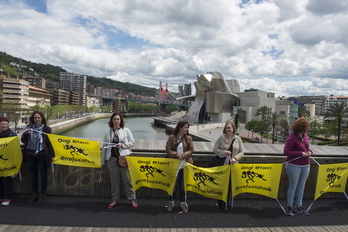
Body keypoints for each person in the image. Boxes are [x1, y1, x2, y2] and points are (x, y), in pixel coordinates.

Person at [101, 112, 138, 210]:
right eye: (114, 119)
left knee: (127, 180)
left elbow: (132, 143)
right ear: (111, 121)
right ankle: (114, 199)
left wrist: (123, 145)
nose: (116, 121)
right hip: (112, 160)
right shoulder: (107, 133)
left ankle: (132, 199)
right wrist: (103, 161)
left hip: (124, 159)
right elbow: (104, 148)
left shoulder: (126, 131)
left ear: (121, 121)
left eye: (118, 119)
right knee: (114, 181)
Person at [21, 111, 55, 205]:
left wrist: (52, 155)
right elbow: (23, 140)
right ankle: (35, 194)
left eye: (38, 117)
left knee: (43, 175)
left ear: (42, 118)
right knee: (33, 175)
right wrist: (26, 134)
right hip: (31, 154)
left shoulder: (46, 129)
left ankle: (43, 195)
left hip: (41, 154)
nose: (37, 119)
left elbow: (49, 142)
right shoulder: (29, 128)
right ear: (33, 119)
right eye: (35, 118)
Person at [213, 121, 244, 211]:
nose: (228, 130)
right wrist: (224, 152)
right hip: (223, 166)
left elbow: (242, 151)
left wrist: (236, 158)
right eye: (227, 128)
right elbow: (215, 149)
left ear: (233, 129)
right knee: (222, 184)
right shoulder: (221, 138)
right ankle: (220, 202)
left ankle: (228, 202)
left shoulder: (238, 139)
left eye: (230, 128)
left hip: (233, 166)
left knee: (230, 184)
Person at [284, 117, 312, 216]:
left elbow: (307, 146)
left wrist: (309, 151)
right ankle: (289, 207)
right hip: (294, 165)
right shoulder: (292, 138)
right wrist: (300, 153)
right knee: (293, 186)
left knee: (301, 187)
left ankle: (299, 206)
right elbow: (286, 152)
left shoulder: (305, 136)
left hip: (306, 165)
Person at [165, 120, 194, 213]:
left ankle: (182, 204)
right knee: (173, 185)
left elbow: (191, 149)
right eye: (185, 127)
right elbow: (168, 150)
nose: (187, 129)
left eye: (187, 127)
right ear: (180, 128)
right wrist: (177, 155)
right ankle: (171, 203)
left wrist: (184, 155)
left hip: (185, 165)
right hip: (174, 165)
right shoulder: (172, 138)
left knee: (183, 186)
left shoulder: (188, 138)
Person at [0, 117, 17, 206]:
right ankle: (1, 196)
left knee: (7, 179)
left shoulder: (11, 135)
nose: (4, 126)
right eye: (2, 124)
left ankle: (7, 197)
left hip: (8, 161)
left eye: (6, 124)